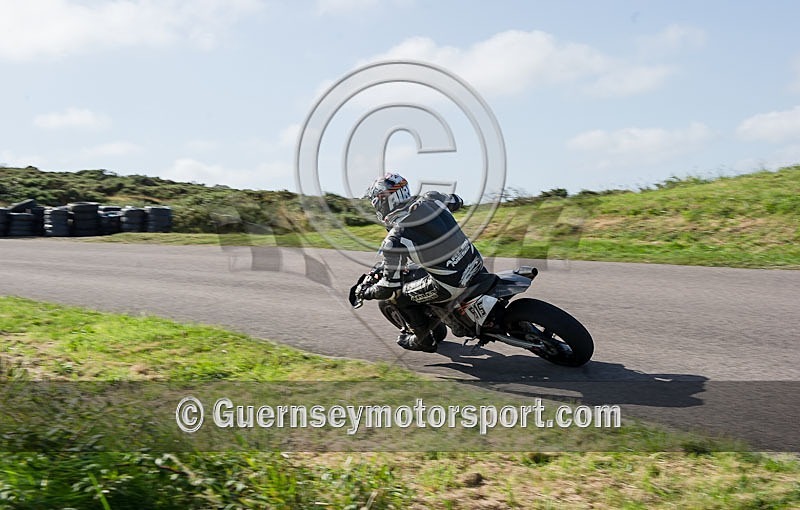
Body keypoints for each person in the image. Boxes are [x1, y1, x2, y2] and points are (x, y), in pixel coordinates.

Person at [360, 172, 494, 352]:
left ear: (384, 201)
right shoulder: (433, 199)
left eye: (376, 202)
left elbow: (388, 287)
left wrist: (367, 292)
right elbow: (458, 201)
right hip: (475, 263)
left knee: (399, 295)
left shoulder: (395, 239)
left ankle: (422, 340)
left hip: (451, 285)